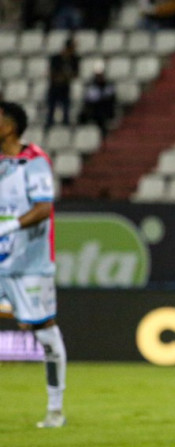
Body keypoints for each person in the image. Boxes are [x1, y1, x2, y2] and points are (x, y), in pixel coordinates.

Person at [0, 101, 68, 429]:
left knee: (44, 333)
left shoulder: (34, 161)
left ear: (10, 126)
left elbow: (43, 208)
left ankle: (55, 408)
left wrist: (8, 226)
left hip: (29, 263)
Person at [45, 37, 80, 128]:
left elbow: (75, 74)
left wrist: (63, 77)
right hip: (54, 87)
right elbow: (51, 73)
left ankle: (65, 126)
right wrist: (62, 76)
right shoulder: (56, 58)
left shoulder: (74, 59)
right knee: (51, 109)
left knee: (66, 109)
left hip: (65, 87)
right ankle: (49, 125)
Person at [78, 60, 117, 138]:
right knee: (82, 115)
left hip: (105, 109)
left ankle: (103, 134)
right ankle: (83, 135)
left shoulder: (108, 85)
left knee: (101, 115)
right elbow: (88, 99)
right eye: (97, 75)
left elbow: (111, 98)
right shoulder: (91, 85)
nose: (99, 77)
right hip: (93, 108)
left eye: (100, 75)